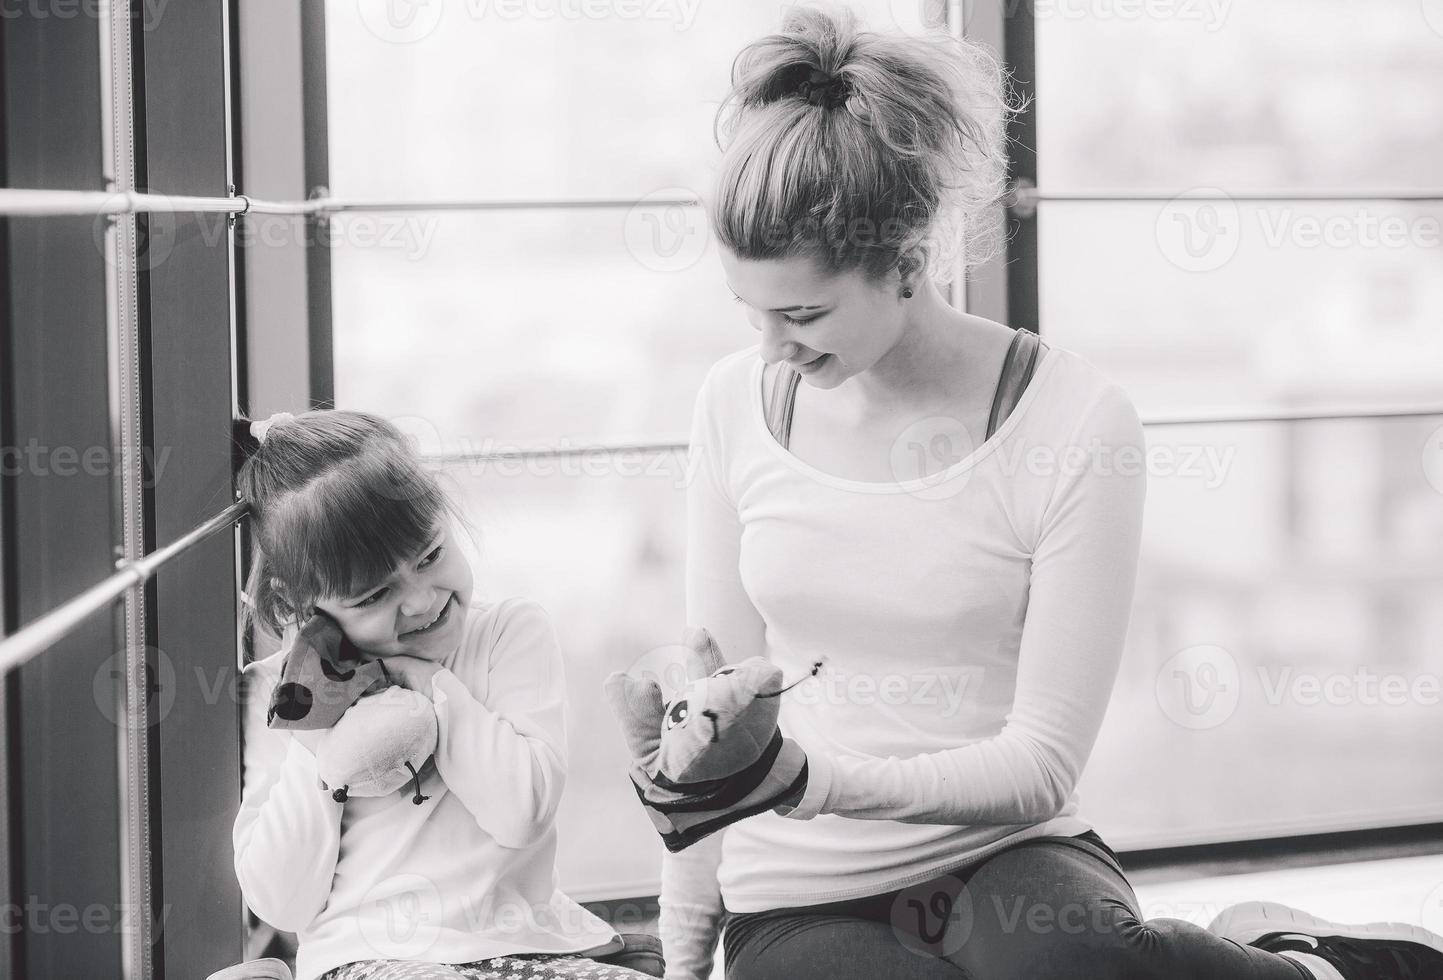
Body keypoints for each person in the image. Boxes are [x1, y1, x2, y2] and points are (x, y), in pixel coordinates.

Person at [657, 8, 1443, 980]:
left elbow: (1039, 765)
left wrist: (811, 779)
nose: (771, 346)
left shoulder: (1075, 420)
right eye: (751, 311)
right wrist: (684, 934)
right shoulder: (734, 401)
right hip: (804, 884)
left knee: (1069, 961)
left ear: (905, 260)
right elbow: (720, 714)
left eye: (804, 313)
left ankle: (1317, 965)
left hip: (1007, 847)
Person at [232, 410, 657, 980]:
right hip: (370, 959)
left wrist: (426, 680)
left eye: (431, 556)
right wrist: (318, 734)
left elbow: (521, 812)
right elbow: (281, 900)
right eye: (374, 595)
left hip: (532, 948)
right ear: (301, 607)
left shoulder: (508, 632)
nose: (422, 601)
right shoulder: (277, 694)